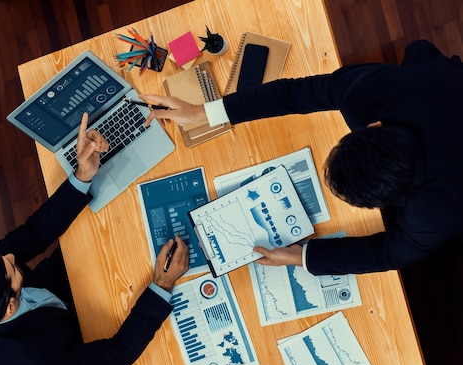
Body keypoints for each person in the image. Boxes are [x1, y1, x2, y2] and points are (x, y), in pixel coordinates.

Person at [140, 39, 463, 276]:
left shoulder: (436, 216)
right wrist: (204, 112)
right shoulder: (370, 90)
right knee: (419, 51)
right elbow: (291, 95)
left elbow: (388, 254)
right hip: (439, 87)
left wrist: (303, 257)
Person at [0, 113, 189, 365]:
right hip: (81, 364)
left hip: (61, 293)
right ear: (8, 307)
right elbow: (119, 353)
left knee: (116, 222)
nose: (9, 256)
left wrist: (82, 175)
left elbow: (33, 234)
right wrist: (161, 286)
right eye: (12, 270)